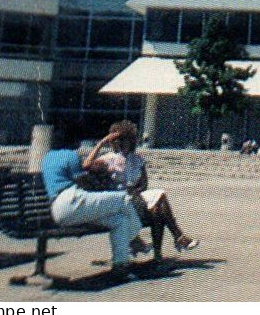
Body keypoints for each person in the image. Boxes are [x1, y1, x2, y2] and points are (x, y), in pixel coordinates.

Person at [40, 127, 145, 280]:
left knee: (120, 221)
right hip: (72, 200)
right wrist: (101, 144)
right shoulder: (71, 155)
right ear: (72, 141)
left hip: (58, 209)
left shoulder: (48, 157)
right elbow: (84, 179)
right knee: (123, 198)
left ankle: (120, 266)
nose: (80, 143)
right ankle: (134, 237)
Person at [94, 120, 200, 256]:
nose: (123, 142)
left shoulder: (137, 159)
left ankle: (161, 254)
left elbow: (144, 184)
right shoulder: (107, 159)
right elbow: (87, 165)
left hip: (136, 198)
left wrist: (136, 191)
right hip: (119, 201)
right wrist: (101, 143)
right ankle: (177, 238)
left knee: (157, 210)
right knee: (159, 202)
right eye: (119, 139)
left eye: (127, 139)